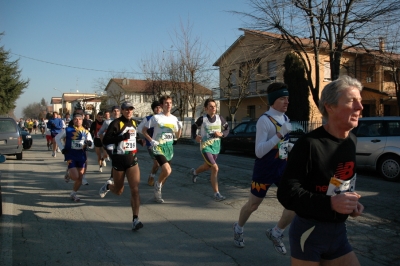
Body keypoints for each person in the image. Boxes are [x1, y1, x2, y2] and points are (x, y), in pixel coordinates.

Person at [277, 76, 364, 265]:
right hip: (309, 235)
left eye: (360, 101)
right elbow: (287, 193)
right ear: (330, 107)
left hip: (338, 234)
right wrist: (331, 204)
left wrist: (349, 203)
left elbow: (338, 183)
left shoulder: (351, 141)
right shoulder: (309, 144)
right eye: (351, 101)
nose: (360, 107)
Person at [232, 82, 295, 255]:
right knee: (253, 205)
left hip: (282, 168)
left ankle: (276, 232)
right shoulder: (264, 120)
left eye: (287, 98)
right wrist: (279, 134)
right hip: (265, 169)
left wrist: (292, 147)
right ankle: (238, 228)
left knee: (295, 202)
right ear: (273, 100)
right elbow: (259, 152)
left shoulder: (286, 119)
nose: (286, 101)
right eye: (282, 98)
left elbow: (284, 144)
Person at [99, 101, 143, 231]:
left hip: (132, 160)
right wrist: (121, 137)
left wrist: (139, 140)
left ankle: (135, 219)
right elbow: (106, 140)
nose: (129, 112)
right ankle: (108, 186)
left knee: (135, 189)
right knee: (119, 191)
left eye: (131, 109)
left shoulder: (134, 123)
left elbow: (133, 138)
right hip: (119, 160)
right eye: (126, 109)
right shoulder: (116, 123)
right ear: (122, 111)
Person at [142, 95, 182, 203]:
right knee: (167, 170)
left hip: (169, 147)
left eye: (170, 103)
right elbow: (144, 131)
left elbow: (177, 136)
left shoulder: (174, 119)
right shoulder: (156, 118)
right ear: (161, 105)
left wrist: (180, 128)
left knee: (167, 173)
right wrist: (151, 140)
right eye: (166, 103)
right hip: (158, 147)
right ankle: (157, 185)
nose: (168, 105)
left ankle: (158, 190)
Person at [188, 98, 229, 201]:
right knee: (215, 168)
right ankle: (217, 194)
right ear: (206, 109)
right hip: (205, 147)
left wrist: (222, 134)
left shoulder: (220, 118)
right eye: (211, 106)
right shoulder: (202, 119)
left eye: (214, 106)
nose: (213, 108)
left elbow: (227, 129)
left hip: (216, 147)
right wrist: (195, 136)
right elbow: (193, 127)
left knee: (207, 166)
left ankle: (195, 172)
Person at [55, 113, 94, 202]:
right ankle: (69, 173)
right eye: (76, 119)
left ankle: (73, 193)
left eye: (79, 119)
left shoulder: (86, 131)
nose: (78, 121)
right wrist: (62, 149)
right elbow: (57, 138)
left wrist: (90, 144)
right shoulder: (67, 130)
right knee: (75, 177)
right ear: (73, 120)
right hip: (70, 155)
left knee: (80, 177)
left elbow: (92, 144)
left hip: (81, 156)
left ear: (82, 120)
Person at [137, 100, 163, 186]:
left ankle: (153, 176)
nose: (158, 109)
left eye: (159, 107)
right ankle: (151, 177)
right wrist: (146, 136)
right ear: (153, 109)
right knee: (157, 163)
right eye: (156, 107)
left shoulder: (164, 118)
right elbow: (140, 129)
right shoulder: (148, 119)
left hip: (161, 144)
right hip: (151, 144)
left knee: (159, 163)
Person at [99, 106, 121, 181]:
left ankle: (113, 178)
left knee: (117, 162)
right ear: (111, 113)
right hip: (110, 146)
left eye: (117, 111)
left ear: (120, 112)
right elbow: (100, 132)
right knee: (116, 160)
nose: (116, 112)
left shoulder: (123, 121)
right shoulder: (107, 122)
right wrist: (104, 143)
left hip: (121, 146)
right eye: (114, 111)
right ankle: (111, 179)